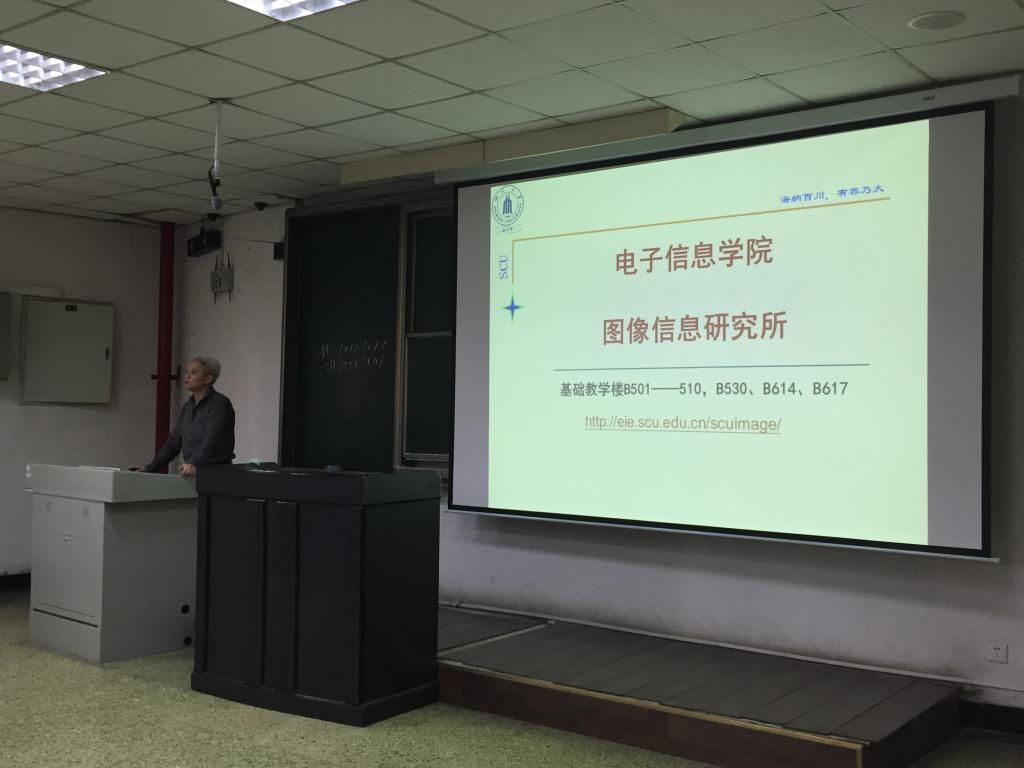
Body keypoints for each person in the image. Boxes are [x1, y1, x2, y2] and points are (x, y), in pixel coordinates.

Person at [136, 356, 235, 477]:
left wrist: (194, 463)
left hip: (217, 474)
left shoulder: (220, 404)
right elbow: (173, 442)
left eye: (194, 373)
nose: (187, 376)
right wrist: (151, 467)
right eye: (187, 372)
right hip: (194, 472)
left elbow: (212, 439)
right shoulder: (188, 406)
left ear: (208, 378)